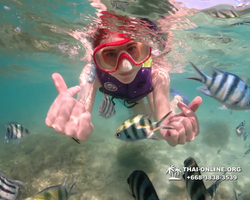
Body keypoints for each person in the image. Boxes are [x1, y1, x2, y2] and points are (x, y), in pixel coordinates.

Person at [45, 12, 202, 147]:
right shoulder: (91, 74)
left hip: (144, 89)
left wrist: (170, 131)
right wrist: (76, 122)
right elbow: (82, 109)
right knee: (141, 118)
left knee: (152, 124)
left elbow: (162, 130)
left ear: (144, 48)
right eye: (110, 54)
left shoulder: (156, 73)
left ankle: (176, 100)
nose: (126, 67)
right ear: (97, 59)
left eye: (132, 49)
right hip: (133, 97)